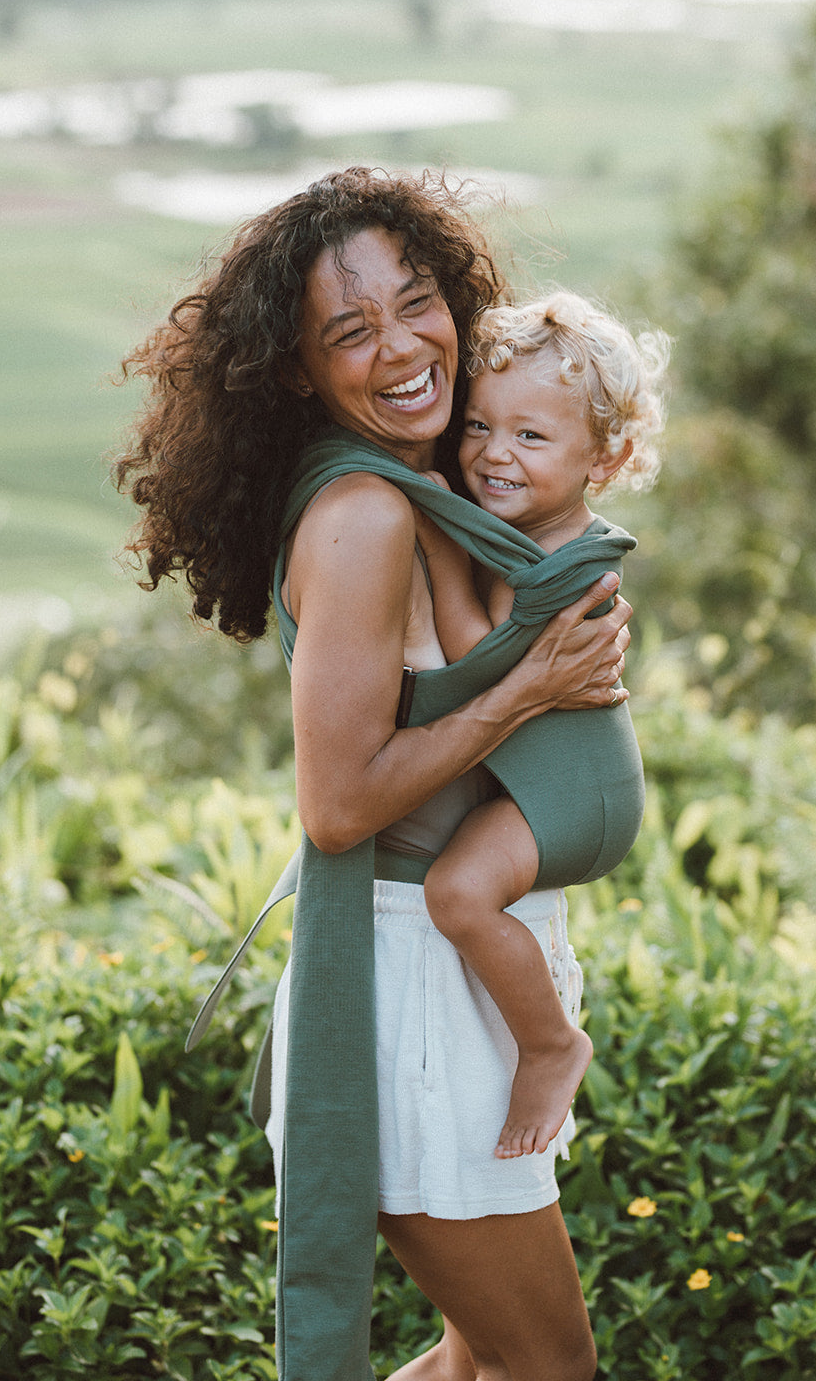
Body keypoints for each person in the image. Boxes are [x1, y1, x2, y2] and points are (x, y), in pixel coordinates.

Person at [114, 167, 637, 1381]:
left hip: (443, 974)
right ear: (298, 367)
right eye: (351, 330)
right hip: (408, 997)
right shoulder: (365, 515)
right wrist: (528, 688)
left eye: (416, 302)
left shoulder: (416, 486)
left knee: (473, 1363)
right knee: (545, 1370)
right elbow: (337, 804)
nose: (403, 346)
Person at [412, 292, 669, 1163]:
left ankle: (551, 1040)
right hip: (548, 784)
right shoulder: (522, 532)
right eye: (478, 426)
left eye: (530, 437)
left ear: (606, 456)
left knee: (456, 893)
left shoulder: (571, 561)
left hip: (579, 800)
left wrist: (436, 539)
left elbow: (475, 657)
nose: (492, 455)